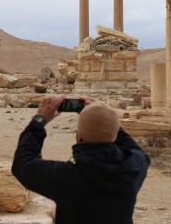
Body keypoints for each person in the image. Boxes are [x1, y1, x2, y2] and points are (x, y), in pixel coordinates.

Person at [12, 95, 150, 224]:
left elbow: (22, 163)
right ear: (114, 136)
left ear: (79, 137)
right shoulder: (133, 167)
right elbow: (137, 151)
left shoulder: (66, 177)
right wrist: (104, 118)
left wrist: (39, 120)